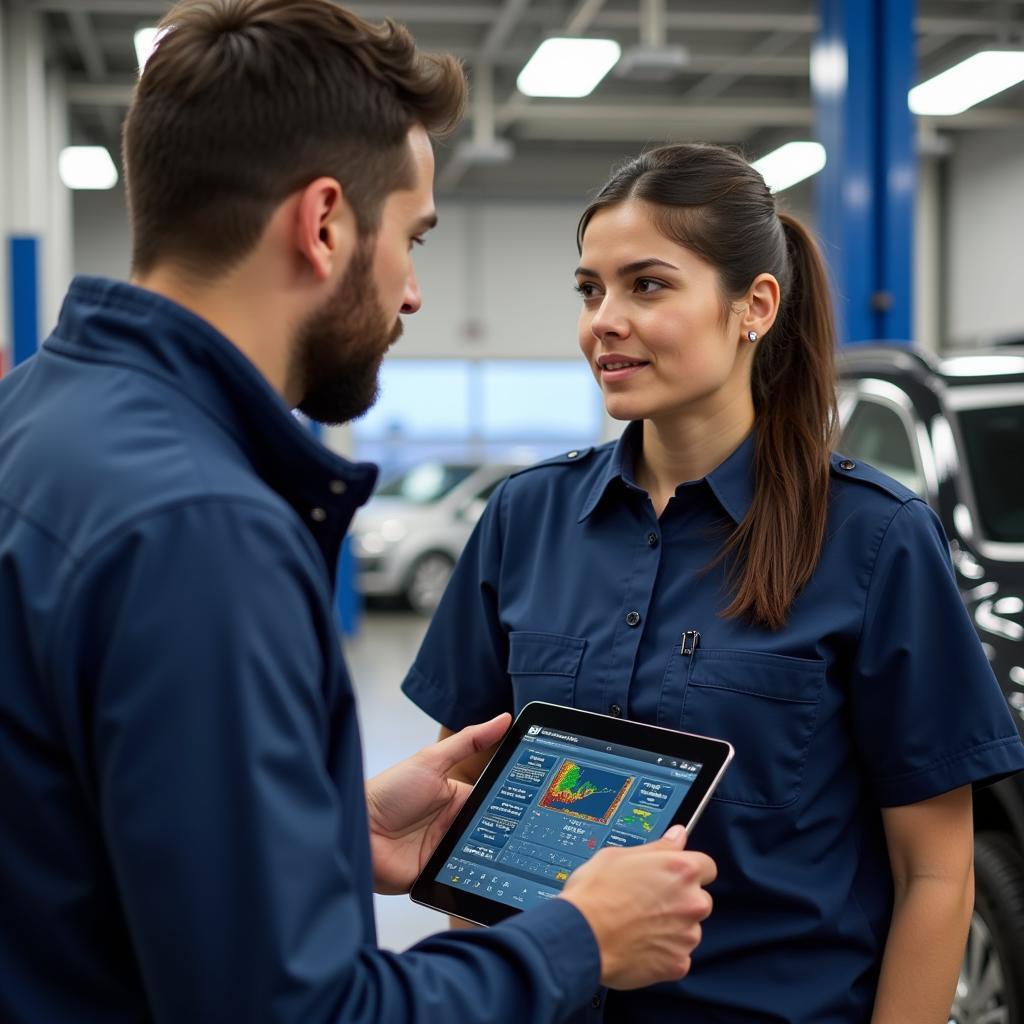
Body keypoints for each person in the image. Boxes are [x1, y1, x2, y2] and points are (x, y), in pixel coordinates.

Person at [0, 4, 719, 1022]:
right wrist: (577, 939)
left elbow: (71, 837)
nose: (413, 293)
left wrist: (330, 832)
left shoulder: (32, 424)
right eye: (412, 238)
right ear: (326, 222)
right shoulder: (202, 528)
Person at [402, 142, 1024, 1023]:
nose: (604, 321)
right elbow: (464, 816)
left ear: (754, 307)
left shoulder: (875, 541)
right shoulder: (522, 521)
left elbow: (936, 871)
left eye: (647, 286)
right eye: (590, 289)